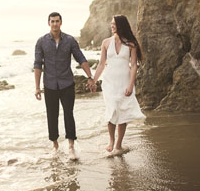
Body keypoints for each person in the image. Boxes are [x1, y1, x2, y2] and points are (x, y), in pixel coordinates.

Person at [34, 12, 95, 160]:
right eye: (52, 21)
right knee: (52, 115)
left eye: (57, 21)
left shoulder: (69, 40)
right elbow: (38, 64)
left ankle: (71, 146)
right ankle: (55, 146)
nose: (55, 24)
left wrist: (90, 77)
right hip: (49, 85)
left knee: (69, 113)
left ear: (61, 23)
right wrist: (37, 87)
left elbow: (80, 58)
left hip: (67, 83)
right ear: (48, 23)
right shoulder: (41, 42)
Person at [90, 15, 146, 154]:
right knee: (111, 111)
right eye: (111, 23)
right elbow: (102, 64)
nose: (112, 26)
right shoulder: (106, 42)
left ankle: (118, 145)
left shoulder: (131, 44)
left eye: (114, 23)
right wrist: (93, 80)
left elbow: (133, 66)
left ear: (121, 25)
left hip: (124, 82)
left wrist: (131, 85)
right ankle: (111, 141)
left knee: (122, 112)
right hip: (109, 82)